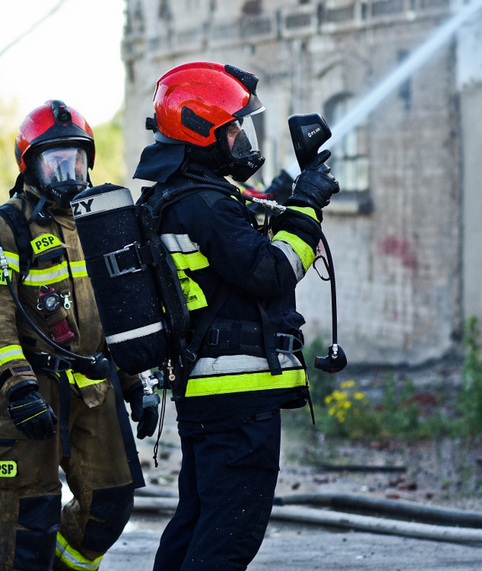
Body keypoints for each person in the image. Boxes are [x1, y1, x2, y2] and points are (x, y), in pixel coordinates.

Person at [132, 62, 340, 570]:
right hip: (238, 397)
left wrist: (288, 200)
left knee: (199, 520)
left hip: (211, 393)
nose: (241, 139)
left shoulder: (182, 197)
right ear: (200, 132)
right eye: (232, 128)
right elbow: (272, 271)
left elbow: (232, 255)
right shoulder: (205, 203)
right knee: (229, 534)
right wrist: (308, 208)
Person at [0, 100, 157, 571]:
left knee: (109, 507)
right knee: (31, 522)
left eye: (75, 159)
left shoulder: (97, 227)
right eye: (54, 161)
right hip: (34, 391)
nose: (66, 171)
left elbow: (117, 316)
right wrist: (19, 386)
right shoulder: (3, 229)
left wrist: (138, 384)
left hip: (94, 389)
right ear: (29, 165)